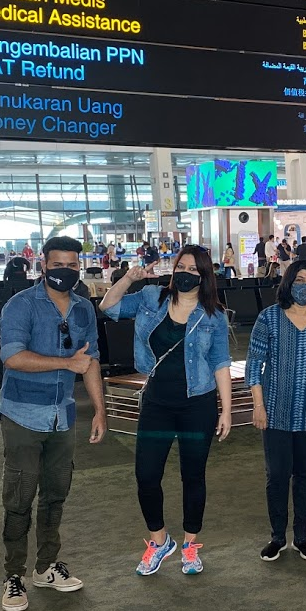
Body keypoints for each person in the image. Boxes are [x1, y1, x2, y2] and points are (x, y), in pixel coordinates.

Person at [100, 246, 232, 576]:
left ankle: (190, 546)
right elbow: (108, 307)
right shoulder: (150, 297)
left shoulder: (213, 315)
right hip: (157, 403)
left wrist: (226, 410)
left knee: (193, 476)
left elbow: (220, 363)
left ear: (204, 278)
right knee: (146, 475)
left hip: (197, 405)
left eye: (193, 270)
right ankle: (159, 542)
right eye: (181, 267)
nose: (185, 273)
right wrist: (128, 277)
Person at [0, 236, 106, 611]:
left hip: (64, 417)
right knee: (20, 497)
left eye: (73, 265)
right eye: (58, 263)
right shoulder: (21, 305)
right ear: (43, 265)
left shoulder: (83, 309)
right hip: (22, 415)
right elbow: (12, 357)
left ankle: (45, 567)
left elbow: (90, 360)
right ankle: (14, 575)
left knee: (56, 494)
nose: (66, 270)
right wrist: (65, 364)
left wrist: (100, 410)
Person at [247, 261, 306, 562]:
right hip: (274, 411)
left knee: (305, 476)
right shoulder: (269, 318)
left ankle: (302, 538)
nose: (305, 284)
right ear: (288, 283)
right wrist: (258, 405)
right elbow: (254, 365)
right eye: (299, 279)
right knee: (277, 475)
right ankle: (277, 537)